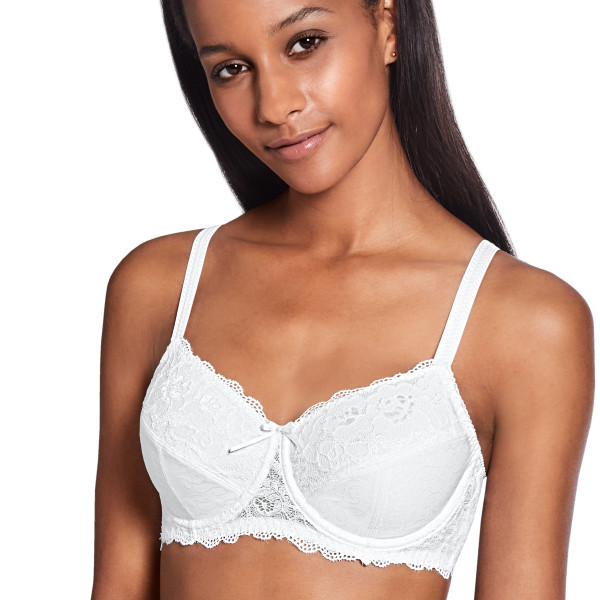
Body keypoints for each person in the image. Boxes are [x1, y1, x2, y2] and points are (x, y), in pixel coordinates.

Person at [91, 1, 595, 598]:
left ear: (388, 24)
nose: (274, 106)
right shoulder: (160, 284)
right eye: (231, 69)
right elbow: (118, 584)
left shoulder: (525, 321)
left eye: (305, 43)